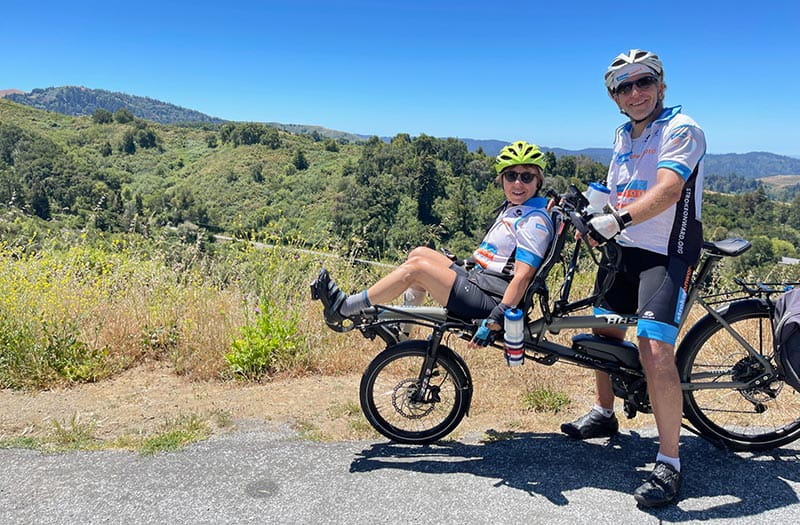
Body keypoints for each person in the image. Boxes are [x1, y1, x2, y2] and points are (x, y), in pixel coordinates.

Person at [561, 49, 706, 507]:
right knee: (601, 328)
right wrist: (586, 212)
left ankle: (669, 463)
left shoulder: (683, 129)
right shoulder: (623, 134)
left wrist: (616, 221)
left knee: (654, 348)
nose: (635, 92)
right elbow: (614, 190)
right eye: (624, 87)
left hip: (667, 252)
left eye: (644, 82)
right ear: (615, 97)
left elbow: (668, 188)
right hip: (624, 248)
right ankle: (605, 412)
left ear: (661, 87)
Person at [311, 141, 554, 339]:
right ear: (501, 179)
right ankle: (402, 333)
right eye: (511, 175)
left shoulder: (534, 221)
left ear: (538, 181)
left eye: (526, 177)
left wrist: (497, 317)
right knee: (419, 253)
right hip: (479, 279)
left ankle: (345, 307)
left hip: (493, 299)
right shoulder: (517, 208)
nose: (518, 183)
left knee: (417, 270)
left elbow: (523, 276)